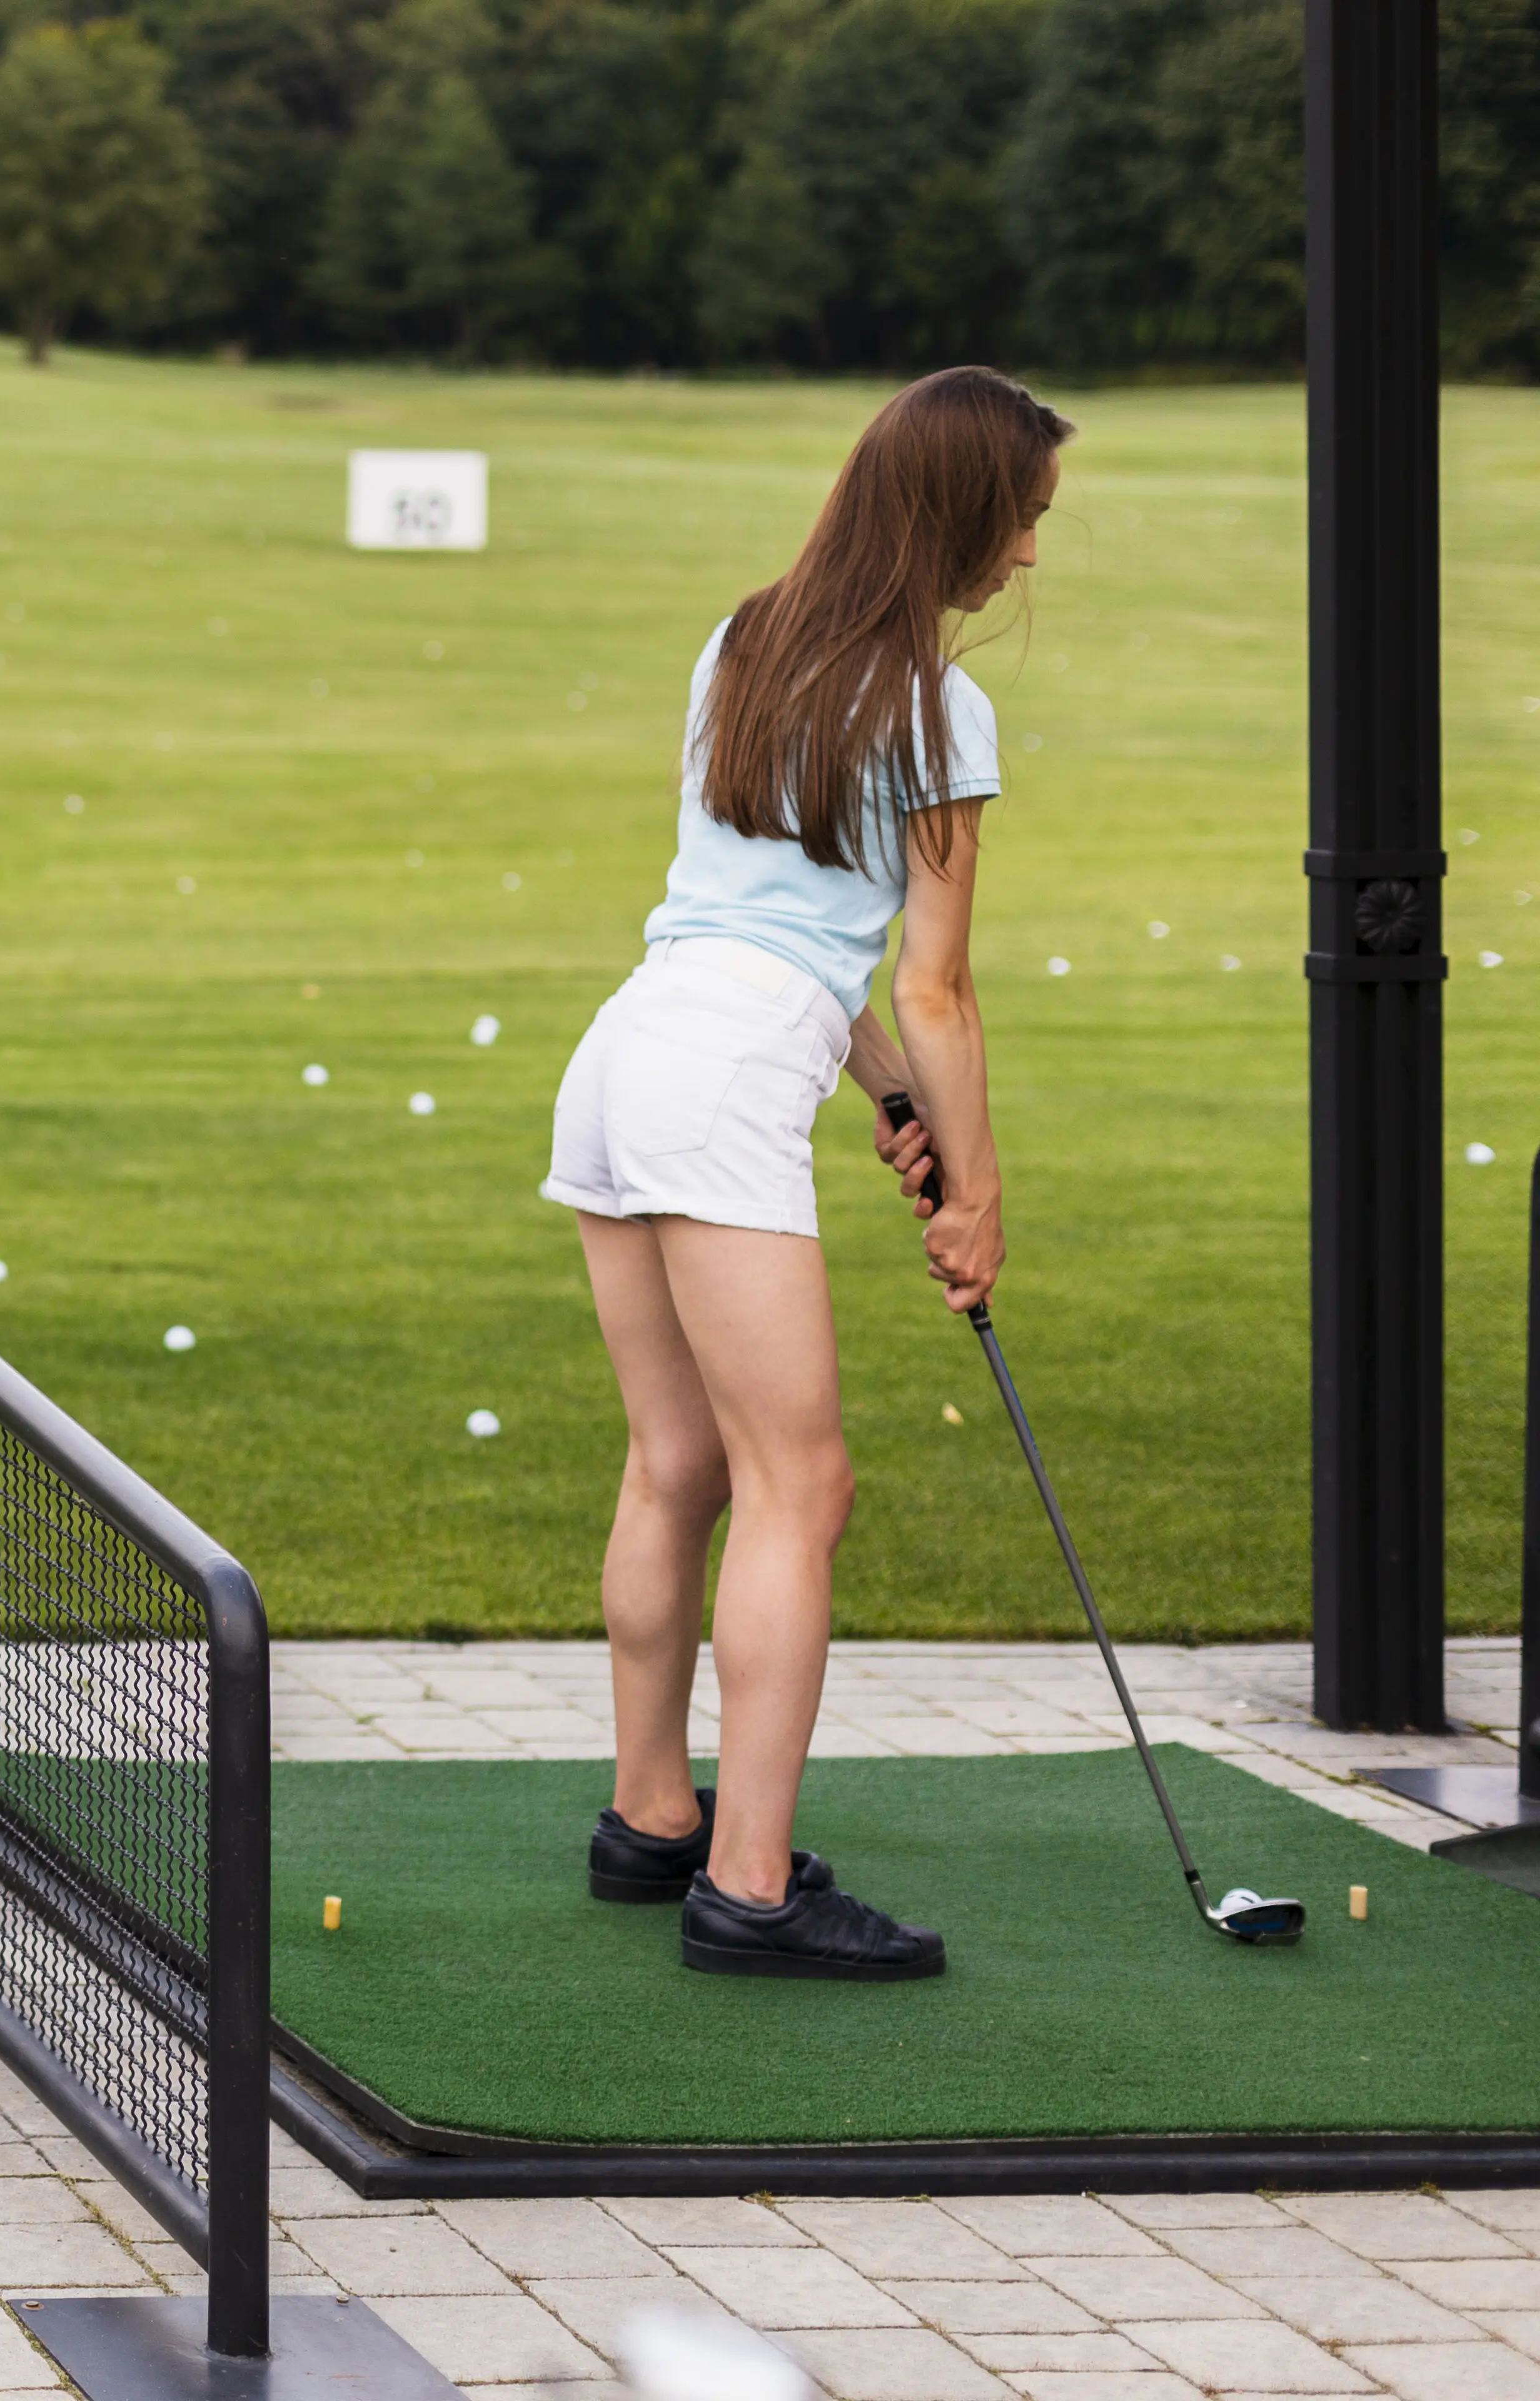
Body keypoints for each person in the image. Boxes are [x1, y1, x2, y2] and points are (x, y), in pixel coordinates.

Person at [539, 365, 1071, 1981]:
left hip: (626, 1052)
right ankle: (752, 1887)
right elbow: (936, 988)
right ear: (966, 516)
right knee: (802, 1484)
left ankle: (654, 1820)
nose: (1030, 559)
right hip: (720, 1080)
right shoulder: (942, 708)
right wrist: (974, 1197)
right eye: (1025, 524)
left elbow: (780, 934)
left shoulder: (742, 640)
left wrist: (894, 1106)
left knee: (676, 1460)